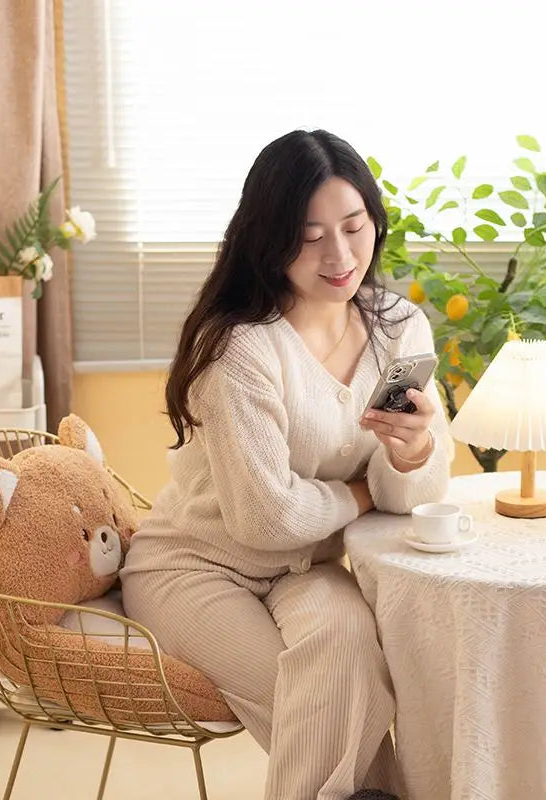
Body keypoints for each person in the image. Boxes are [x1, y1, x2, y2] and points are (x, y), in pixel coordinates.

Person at [121, 129, 451, 800]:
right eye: (309, 236)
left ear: (374, 223)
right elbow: (264, 519)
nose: (340, 254)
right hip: (197, 566)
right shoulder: (240, 349)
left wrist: (413, 451)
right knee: (330, 704)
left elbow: (402, 499)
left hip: (310, 568)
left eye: (354, 227)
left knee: (353, 665)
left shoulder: (399, 330)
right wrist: (359, 492)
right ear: (269, 239)